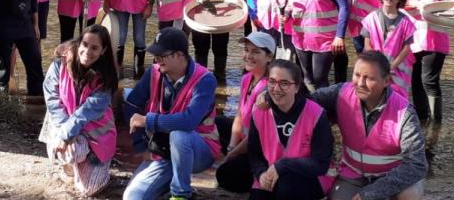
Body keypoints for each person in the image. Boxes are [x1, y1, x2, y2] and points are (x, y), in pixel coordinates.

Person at [310, 51, 427, 200]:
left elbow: (416, 166)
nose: (360, 83)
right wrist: (272, 94)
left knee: (409, 195)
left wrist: (370, 194)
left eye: (369, 78)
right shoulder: (340, 93)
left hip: (390, 177)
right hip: (352, 174)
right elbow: (305, 102)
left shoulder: (405, 113)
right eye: (357, 75)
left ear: (386, 81)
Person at [123, 27, 220, 200]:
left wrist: (148, 120)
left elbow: (189, 122)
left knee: (180, 135)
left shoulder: (205, 80)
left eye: (162, 55)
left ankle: (180, 194)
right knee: (132, 197)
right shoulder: (153, 73)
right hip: (163, 152)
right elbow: (131, 105)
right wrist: (140, 147)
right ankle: (168, 182)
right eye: (156, 55)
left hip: (199, 150)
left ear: (180, 55)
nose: (157, 59)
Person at [41, 24, 119, 197]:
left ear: (103, 50)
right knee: (68, 153)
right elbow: (52, 99)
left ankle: (97, 170)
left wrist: (65, 136)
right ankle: (70, 167)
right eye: (84, 44)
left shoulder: (106, 78)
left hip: (94, 135)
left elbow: (84, 113)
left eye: (94, 48)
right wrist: (63, 133)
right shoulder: (59, 64)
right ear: (78, 43)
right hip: (65, 124)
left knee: (89, 191)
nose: (87, 51)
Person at [248, 59, 333, 200]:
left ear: (297, 87)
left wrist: (283, 165)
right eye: (272, 81)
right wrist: (261, 173)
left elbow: (321, 164)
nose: (276, 88)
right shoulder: (259, 111)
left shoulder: (316, 114)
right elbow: (254, 154)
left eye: (284, 83)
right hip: (272, 172)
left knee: (285, 188)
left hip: (310, 175)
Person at [401, 0, 454, 134]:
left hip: (435, 38)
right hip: (412, 39)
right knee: (415, 81)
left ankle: (436, 123)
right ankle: (421, 119)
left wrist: (420, 5)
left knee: (429, 80)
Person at [216, 31, 276, 193]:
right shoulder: (246, 78)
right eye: (247, 50)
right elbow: (240, 116)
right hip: (246, 140)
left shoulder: (268, 89)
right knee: (217, 122)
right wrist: (231, 148)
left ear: (269, 57)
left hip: (260, 147)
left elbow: (257, 135)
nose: (249, 55)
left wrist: (233, 153)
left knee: (225, 176)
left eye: (256, 52)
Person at [285, 0, 349, 90]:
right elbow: (290, 4)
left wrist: (340, 36)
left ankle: (325, 110)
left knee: (320, 79)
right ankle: (310, 109)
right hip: (301, 38)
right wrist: (286, 14)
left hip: (325, 40)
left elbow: (344, 8)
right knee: (306, 79)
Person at [361, 0, 416, 100]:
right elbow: (367, 44)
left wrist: (391, 66)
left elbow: (406, 48)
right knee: (374, 97)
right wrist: (378, 65)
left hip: (398, 69)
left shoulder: (406, 22)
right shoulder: (371, 18)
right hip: (375, 67)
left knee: (397, 100)